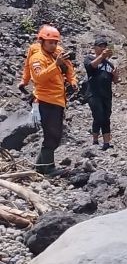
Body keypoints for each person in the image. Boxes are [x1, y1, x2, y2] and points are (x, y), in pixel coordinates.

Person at [29, 25, 77, 174]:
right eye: (50, 42)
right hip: (45, 101)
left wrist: (73, 80)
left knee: (55, 135)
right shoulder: (37, 58)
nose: (54, 45)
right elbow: (39, 78)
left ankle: (40, 167)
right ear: (42, 41)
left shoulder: (57, 54)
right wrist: (55, 65)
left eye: (55, 42)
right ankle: (48, 168)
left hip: (58, 100)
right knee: (52, 136)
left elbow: (69, 68)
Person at [84, 35, 118, 149]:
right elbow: (90, 67)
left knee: (106, 117)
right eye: (100, 46)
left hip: (106, 95)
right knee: (98, 116)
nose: (103, 48)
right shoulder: (89, 58)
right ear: (95, 48)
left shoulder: (110, 64)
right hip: (94, 93)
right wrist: (102, 57)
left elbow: (115, 81)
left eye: (104, 47)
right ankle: (94, 140)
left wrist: (115, 75)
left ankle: (106, 142)